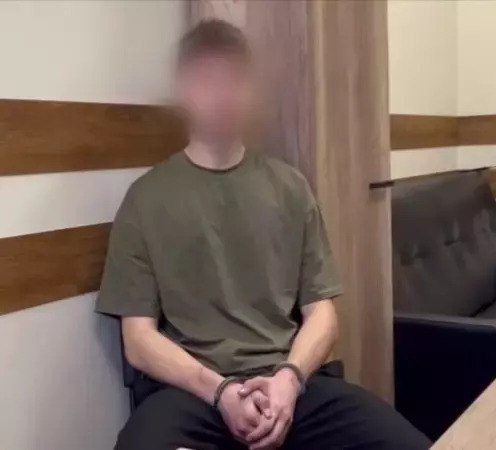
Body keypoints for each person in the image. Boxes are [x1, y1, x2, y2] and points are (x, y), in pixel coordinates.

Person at [96, 19, 431, 450]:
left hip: (288, 384)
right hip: (193, 393)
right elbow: (138, 341)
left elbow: (322, 314)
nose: (222, 94)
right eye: (207, 80)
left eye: (234, 79)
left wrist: (289, 380)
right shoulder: (145, 199)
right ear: (183, 92)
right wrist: (220, 392)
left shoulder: (291, 188)